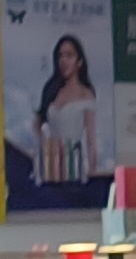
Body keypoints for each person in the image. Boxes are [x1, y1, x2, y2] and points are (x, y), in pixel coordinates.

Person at [34, 33, 101, 186]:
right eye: (60, 56)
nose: (64, 60)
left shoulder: (86, 94)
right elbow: (37, 123)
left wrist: (92, 170)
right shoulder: (52, 89)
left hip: (72, 163)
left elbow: (91, 137)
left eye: (69, 55)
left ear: (79, 61)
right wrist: (44, 145)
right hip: (50, 162)